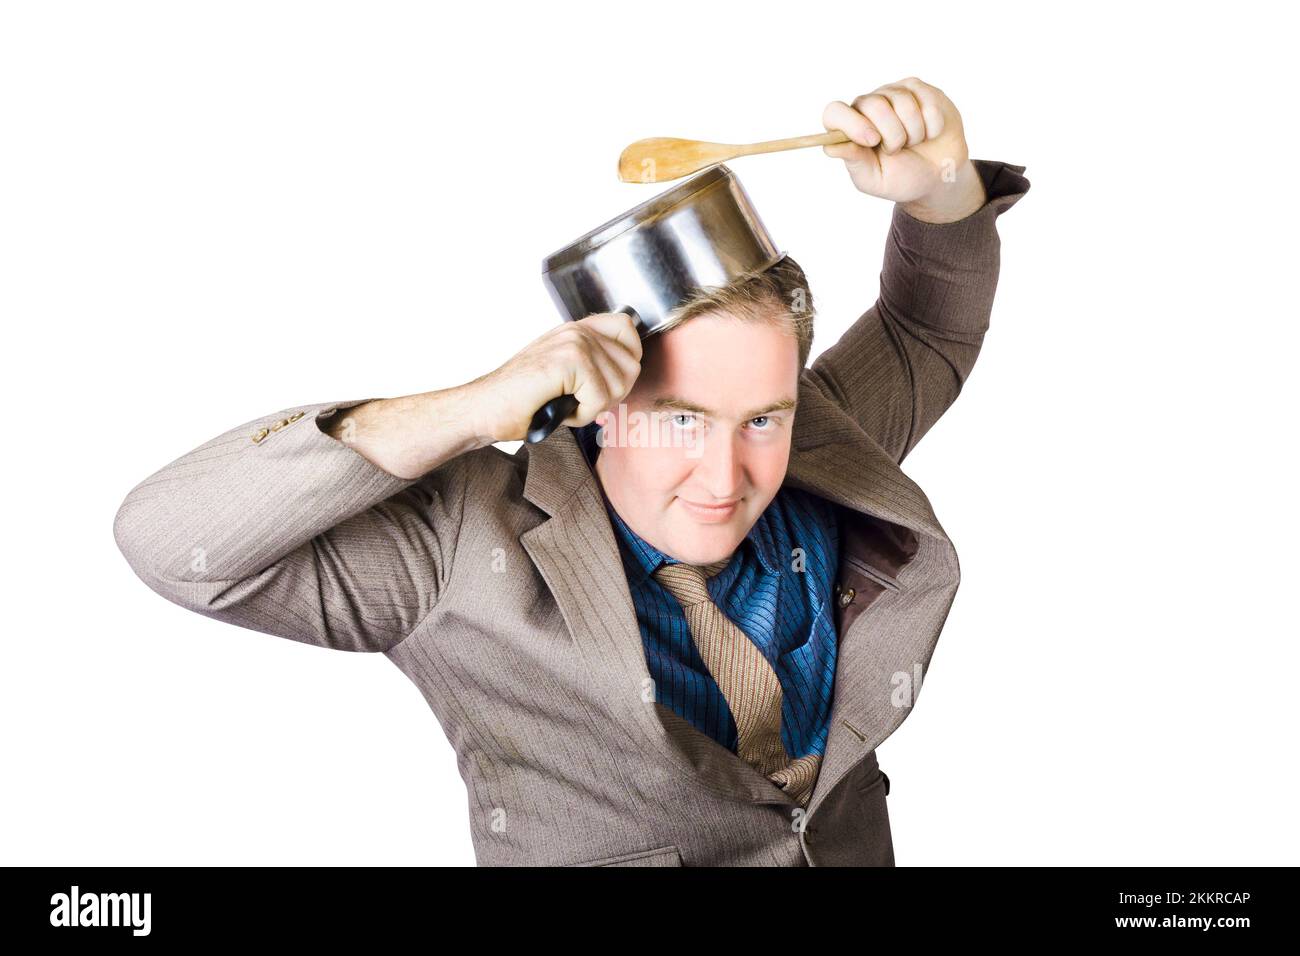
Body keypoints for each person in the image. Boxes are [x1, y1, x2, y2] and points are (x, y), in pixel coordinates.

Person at [113, 76, 1030, 866]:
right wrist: (474, 405)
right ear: (606, 403)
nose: (726, 473)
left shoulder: (821, 455)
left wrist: (941, 186)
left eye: (762, 417)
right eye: (680, 418)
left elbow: (926, 330)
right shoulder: (460, 548)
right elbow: (170, 542)